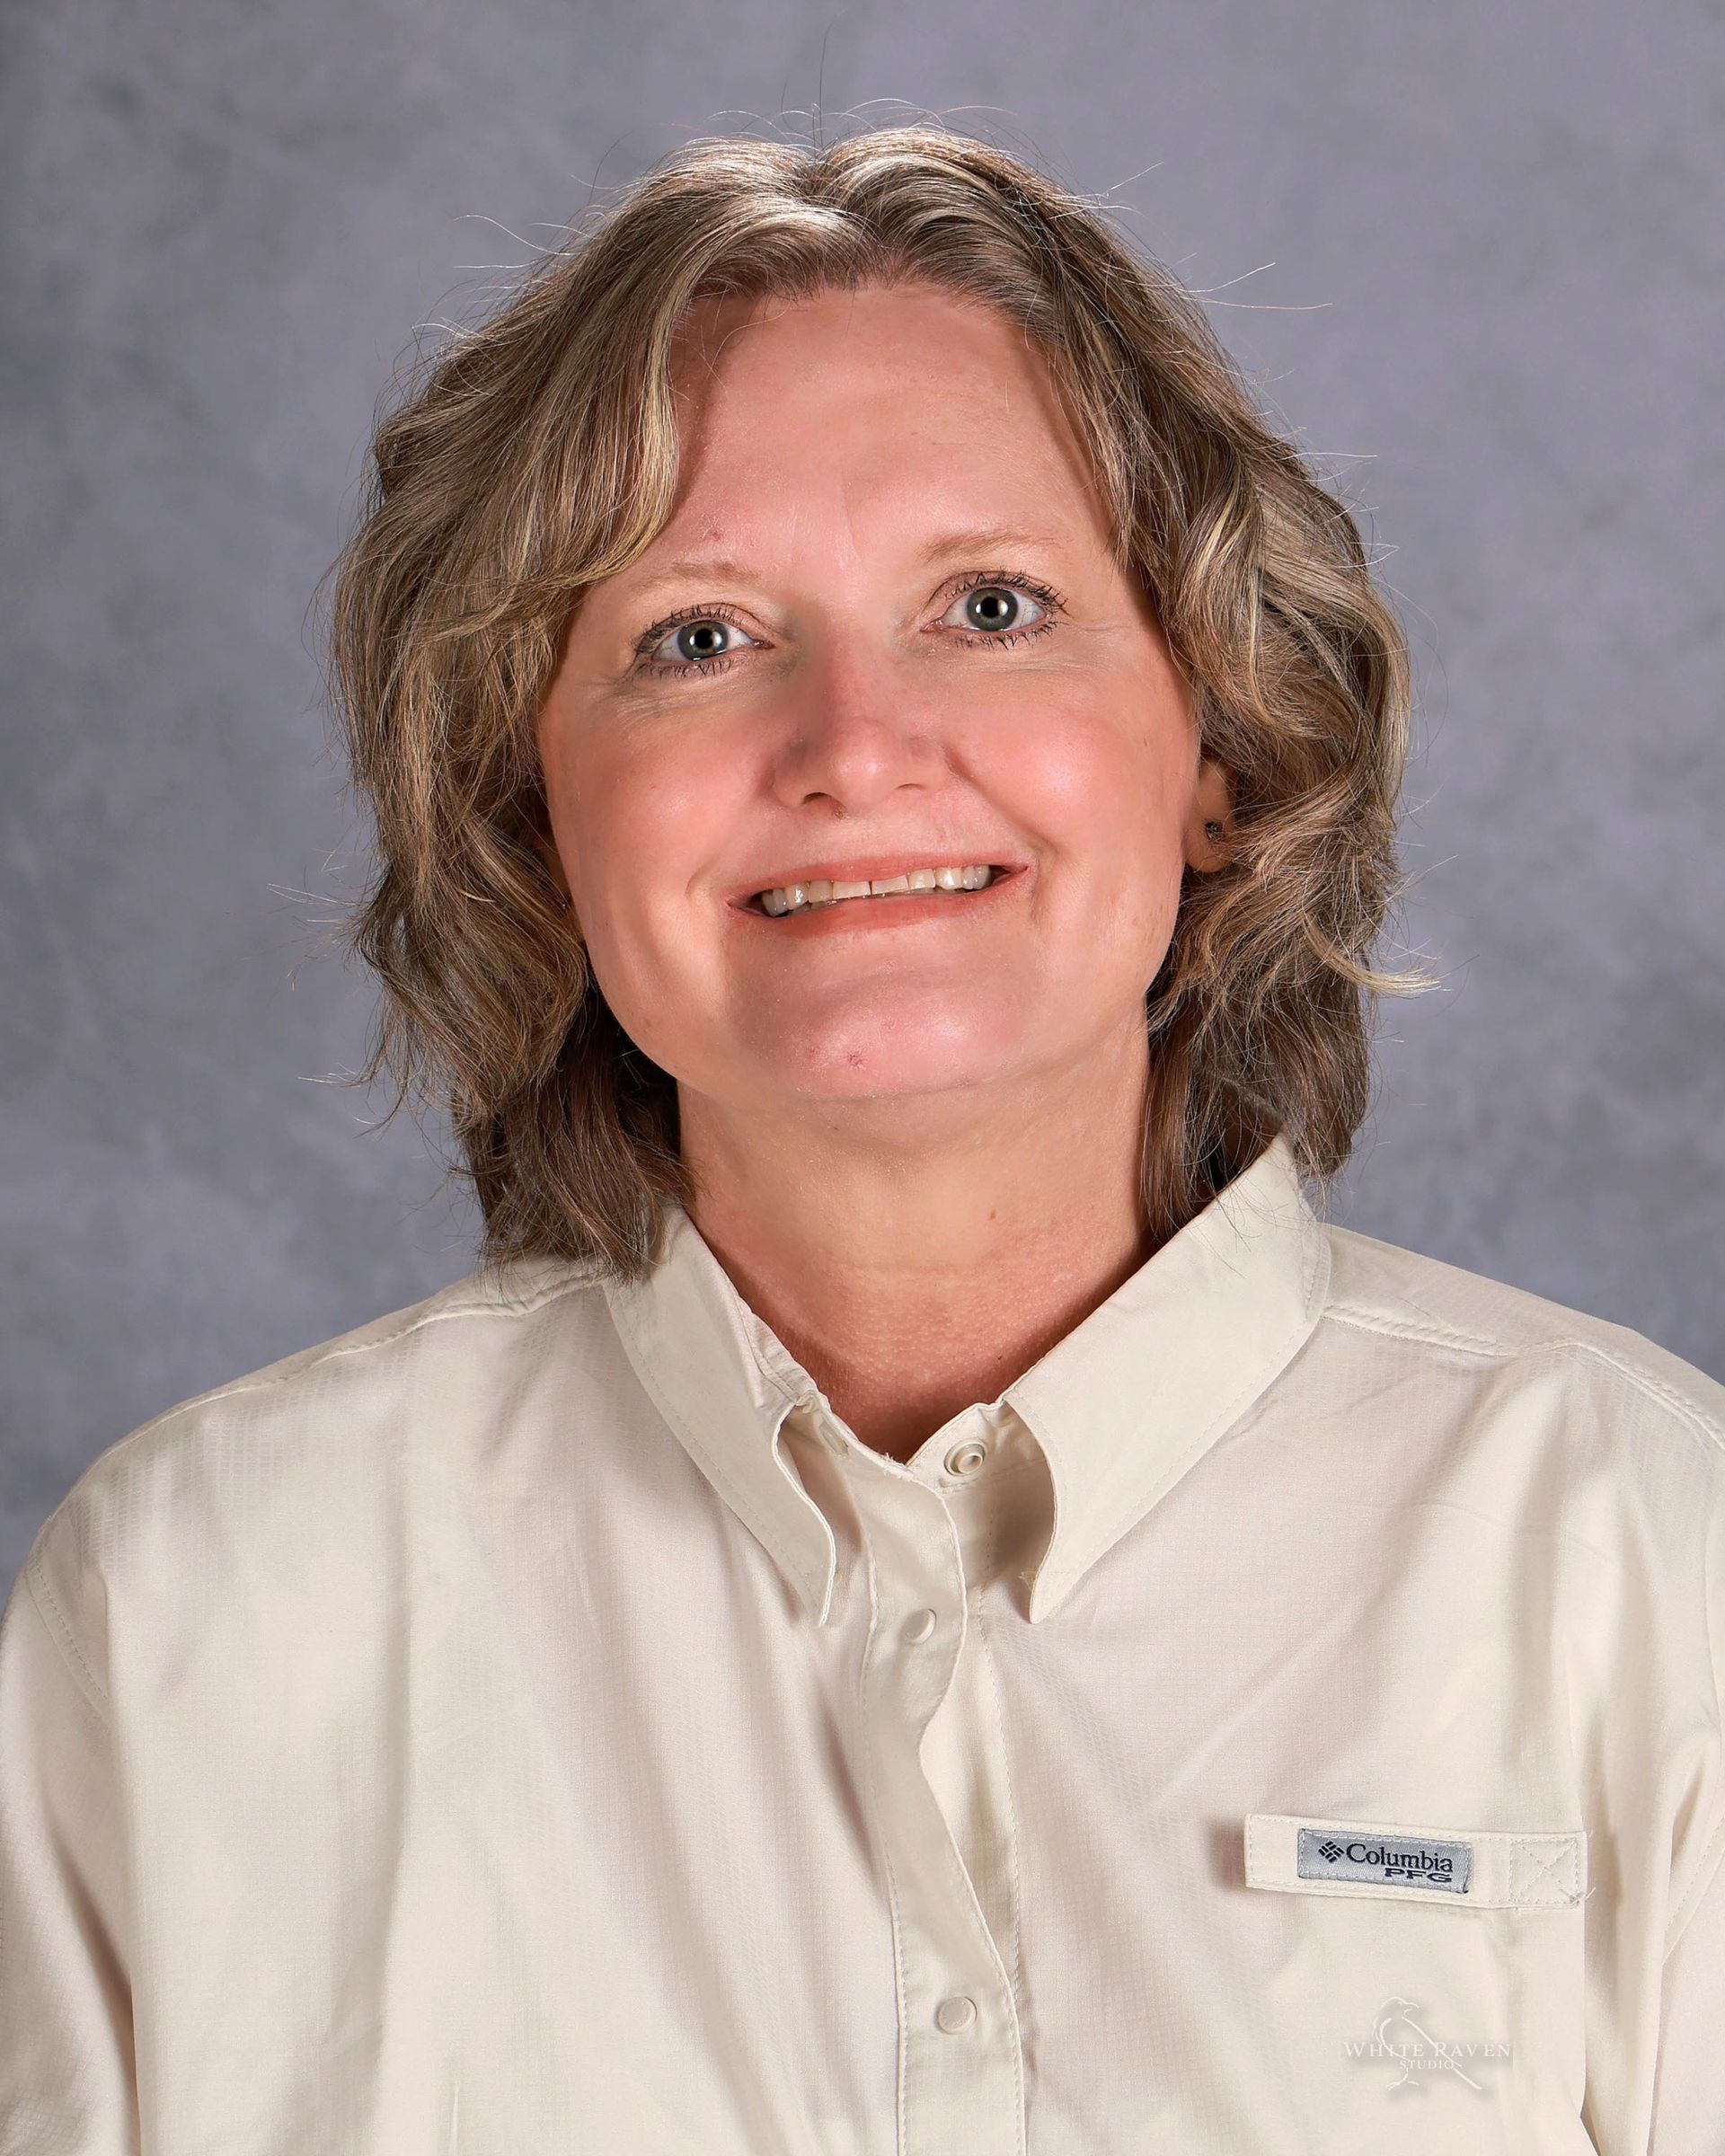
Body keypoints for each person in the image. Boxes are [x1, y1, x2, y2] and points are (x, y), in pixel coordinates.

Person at [2, 122, 1720, 2156]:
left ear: (1222, 747)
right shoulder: (187, 1619)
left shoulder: (1650, 1562)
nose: (853, 750)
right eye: (697, 638)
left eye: (991, 604)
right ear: (528, 811)